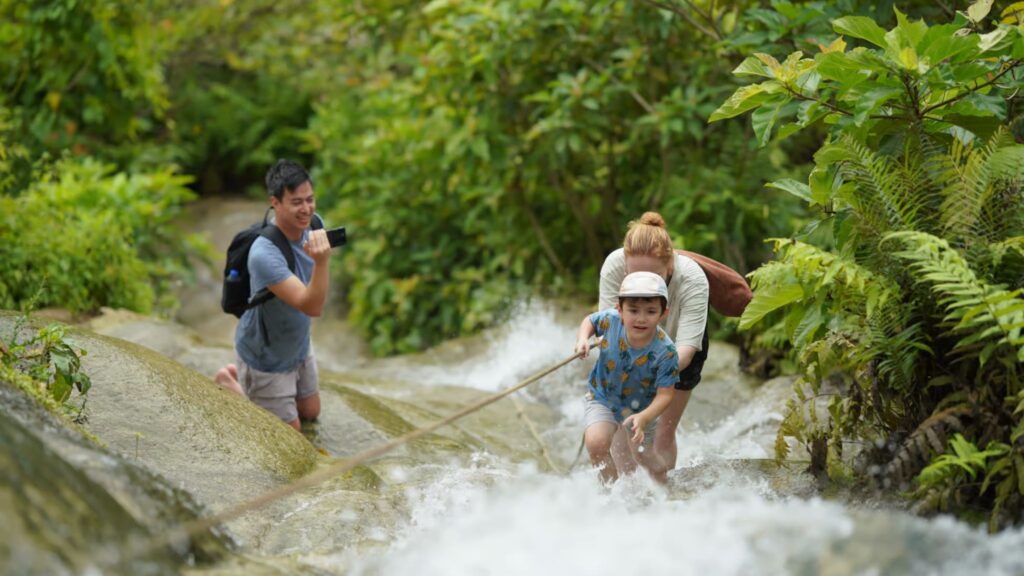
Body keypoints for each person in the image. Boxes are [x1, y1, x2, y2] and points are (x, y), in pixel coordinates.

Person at [213, 159, 331, 431]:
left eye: (310, 200)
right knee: (291, 434)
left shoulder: (314, 225)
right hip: (265, 357)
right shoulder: (264, 254)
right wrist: (323, 262)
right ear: (275, 202)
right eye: (297, 202)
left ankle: (238, 378)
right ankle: (231, 383)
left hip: (297, 344)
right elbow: (311, 306)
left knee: (311, 412)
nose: (307, 209)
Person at [598, 211, 710, 473]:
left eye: (653, 277)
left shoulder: (693, 279)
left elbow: (686, 349)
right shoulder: (613, 266)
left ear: (670, 264)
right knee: (621, 433)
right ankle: (628, 496)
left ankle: (665, 497)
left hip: (678, 351)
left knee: (661, 434)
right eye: (634, 277)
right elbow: (608, 330)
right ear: (625, 266)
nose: (644, 286)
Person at [575, 271, 680, 484]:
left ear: (663, 313)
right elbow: (590, 321)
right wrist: (583, 340)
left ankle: (662, 480)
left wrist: (644, 417)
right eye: (633, 310)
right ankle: (611, 496)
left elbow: (665, 395)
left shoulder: (666, 351)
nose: (641, 318)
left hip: (642, 408)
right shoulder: (611, 321)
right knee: (596, 444)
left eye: (650, 311)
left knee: (642, 455)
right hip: (603, 396)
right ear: (619, 310)